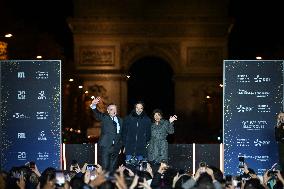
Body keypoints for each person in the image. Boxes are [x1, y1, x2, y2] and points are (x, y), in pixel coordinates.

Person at [90, 96, 123, 172]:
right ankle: (104, 182)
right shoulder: (105, 118)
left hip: (116, 147)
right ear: (108, 111)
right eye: (111, 109)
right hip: (106, 146)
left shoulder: (120, 120)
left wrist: (120, 146)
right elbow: (97, 114)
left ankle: (111, 182)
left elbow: (121, 134)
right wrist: (94, 105)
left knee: (113, 168)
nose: (114, 111)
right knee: (105, 167)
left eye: (115, 109)